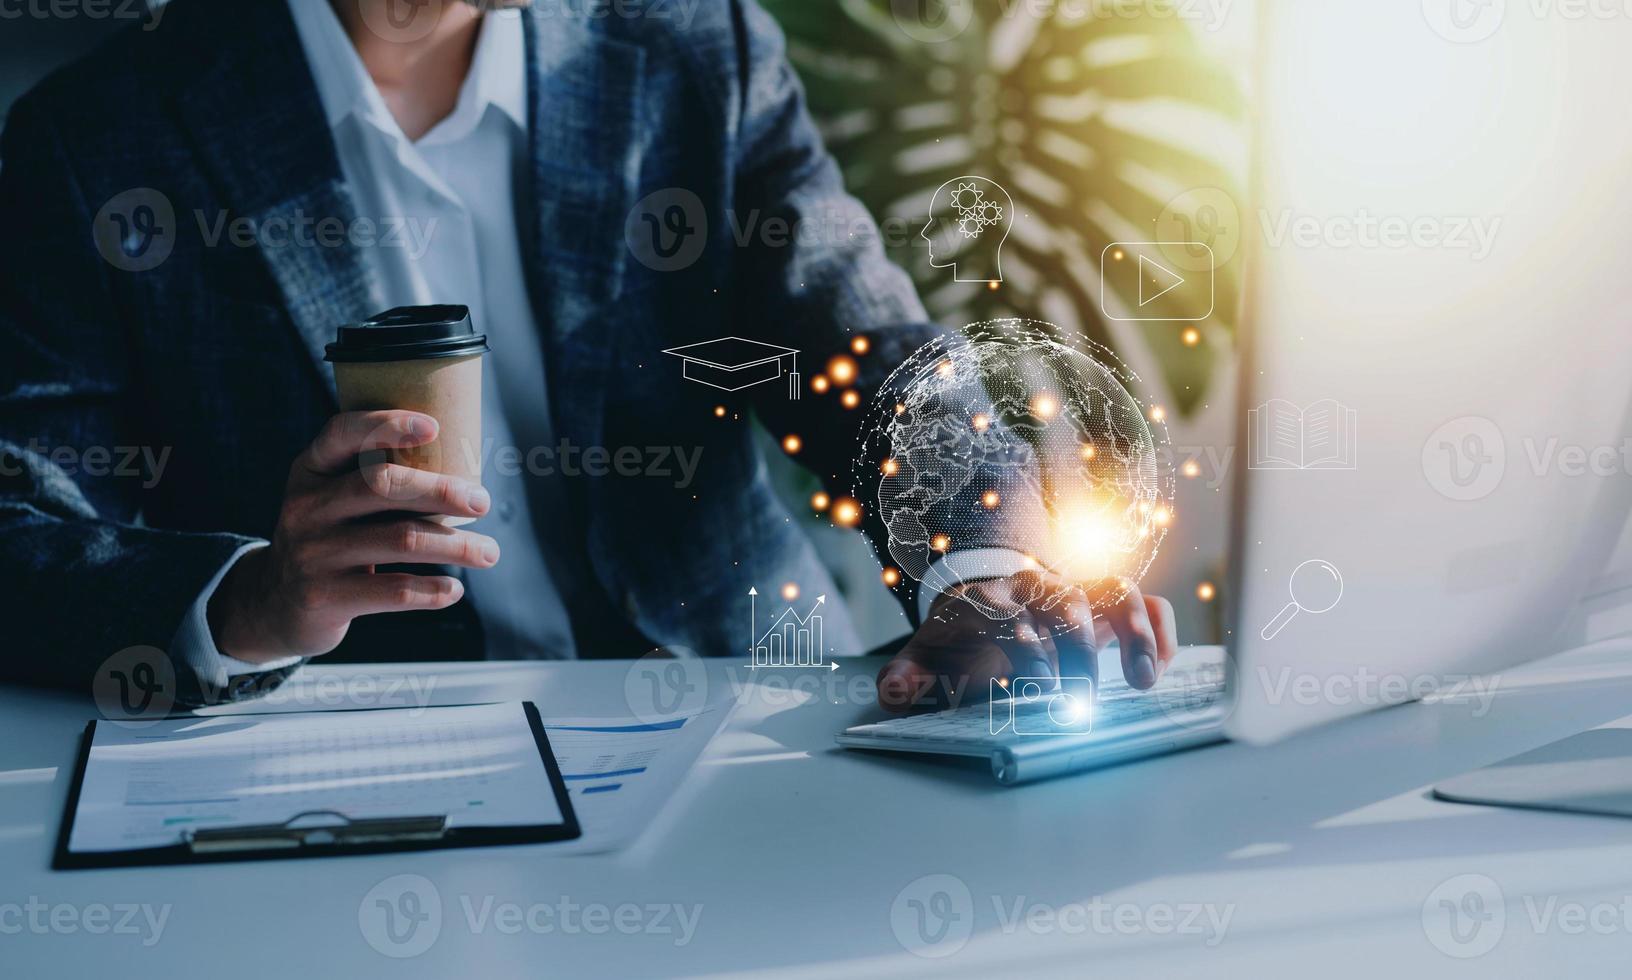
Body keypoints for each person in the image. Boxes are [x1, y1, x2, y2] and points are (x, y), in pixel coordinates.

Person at [0, 0, 1176, 710]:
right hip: (382, 755)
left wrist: (983, 565)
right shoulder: (98, 139)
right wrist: (252, 597)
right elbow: (21, 525)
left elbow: (866, 354)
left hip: (746, 702)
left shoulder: (688, 45)